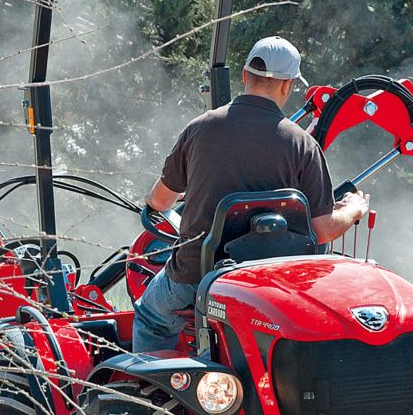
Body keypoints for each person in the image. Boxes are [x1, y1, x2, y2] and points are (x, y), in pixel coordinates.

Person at [132, 36, 370, 353]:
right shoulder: (302, 144)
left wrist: (164, 197)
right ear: (287, 85)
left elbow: (161, 202)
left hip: (196, 276)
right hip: (269, 284)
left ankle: (156, 379)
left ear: (244, 76)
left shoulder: (199, 128)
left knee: (151, 317)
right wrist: (354, 208)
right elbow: (323, 228)